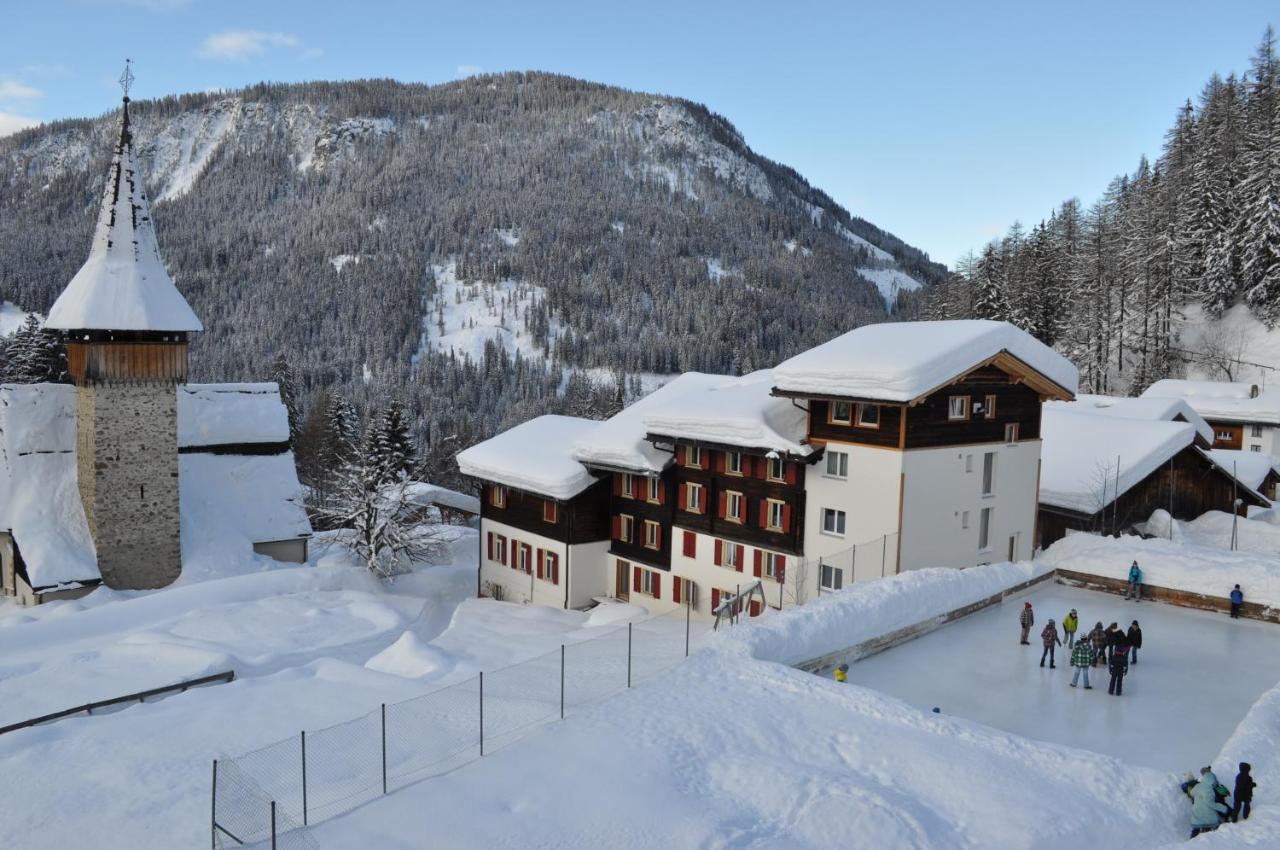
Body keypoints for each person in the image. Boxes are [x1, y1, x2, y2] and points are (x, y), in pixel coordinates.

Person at [1190, 766, 1230, 837]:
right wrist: (1224, 808)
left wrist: (1199, 796)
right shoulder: (1210, 790)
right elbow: (1210, 804)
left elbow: (1191, 793)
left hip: (1196, 812)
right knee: (1211, 825)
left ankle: (1191, 842)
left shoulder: (1198, 786)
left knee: (1196, 828)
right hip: (1207, 813)